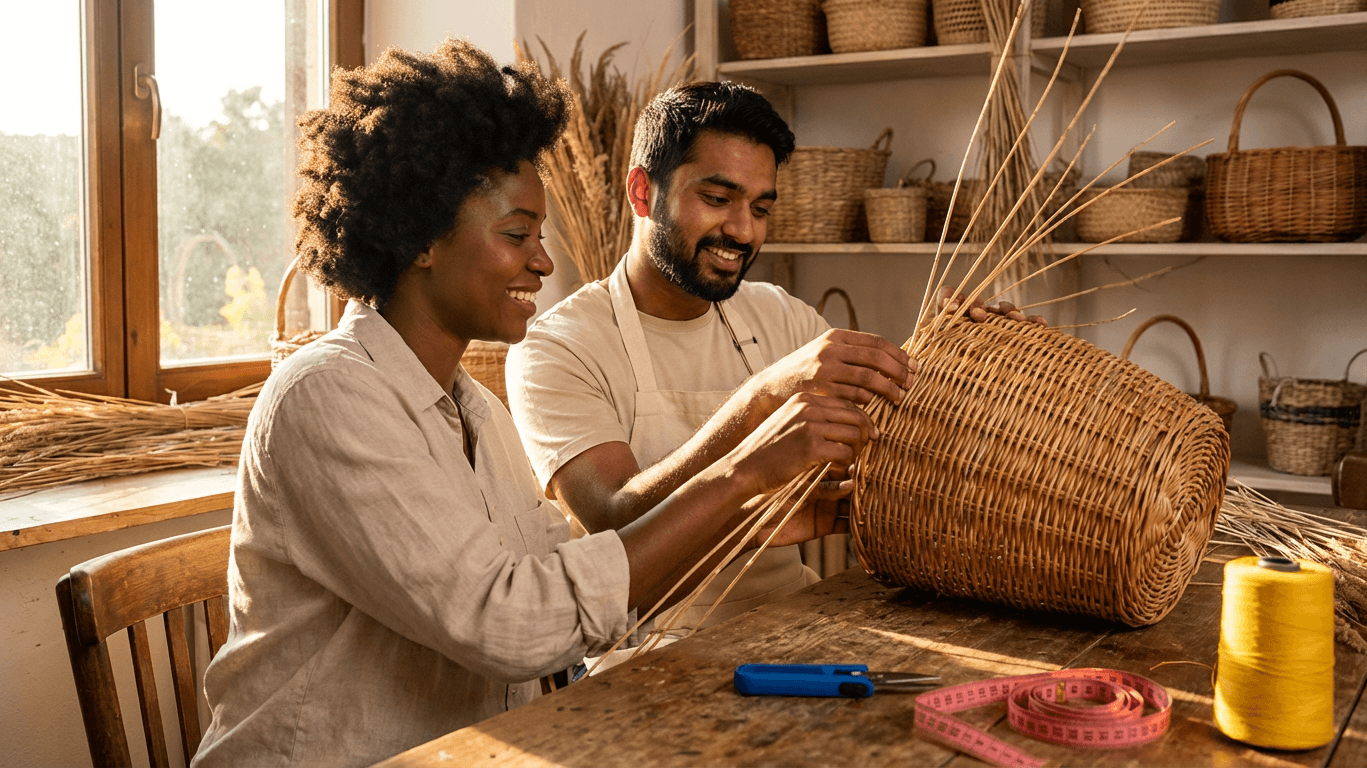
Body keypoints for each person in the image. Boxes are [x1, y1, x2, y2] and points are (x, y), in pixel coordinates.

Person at [191, 44, 869, 768]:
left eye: (538, 237)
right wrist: (743, 472)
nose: (544, 261)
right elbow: (511, 625)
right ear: (421, 238)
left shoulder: (472, 409)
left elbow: (567, 565)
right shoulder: (326, 396)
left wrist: (760, 514)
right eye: (517, 235)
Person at [507, 81, 1042, 654]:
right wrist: (762, 400)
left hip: (796, 626)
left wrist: (973, 363)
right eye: (718, 199)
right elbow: (614, 521)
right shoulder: (557, 347)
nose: (743, 231)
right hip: (647, 652)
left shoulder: (777, 314)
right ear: (642, 191)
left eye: (761, 208)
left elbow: (904, 432)